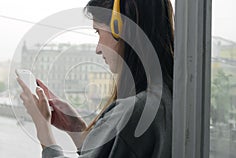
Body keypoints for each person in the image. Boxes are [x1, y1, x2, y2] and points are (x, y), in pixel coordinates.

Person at [17, 0, 174, 157]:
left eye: (98, 32)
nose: (97, 49)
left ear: (118, 28)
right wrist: (76, 128)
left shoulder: (134, 112)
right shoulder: (166, 98)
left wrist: (43, 130)